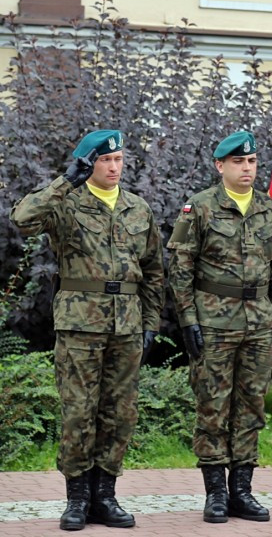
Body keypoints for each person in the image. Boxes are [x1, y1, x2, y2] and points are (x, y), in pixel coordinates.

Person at [10, 129, 164, 531]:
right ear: (87, 164)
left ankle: (106, 497)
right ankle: (77, 499)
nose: (114, 167)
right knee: (79, 411)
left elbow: (153, 272)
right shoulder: (66, 204)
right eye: (104, 160)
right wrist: (65, 180)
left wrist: (150, 323)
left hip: (127, 323)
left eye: (119, 160)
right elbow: (22, 219)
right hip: (81, 324)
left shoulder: (137, 208)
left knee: (120, 413)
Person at [167, 131, 272, 523]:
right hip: (214, 321)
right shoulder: (200, 209)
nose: (247, 168)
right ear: (220, 165)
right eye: (239, 162)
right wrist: (188, 319)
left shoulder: (267, 208)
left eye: (253, 162)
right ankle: (216, 494)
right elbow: (180, 268)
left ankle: (242, 490)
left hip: (258, 320)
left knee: (252, 405)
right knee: (213, 405)